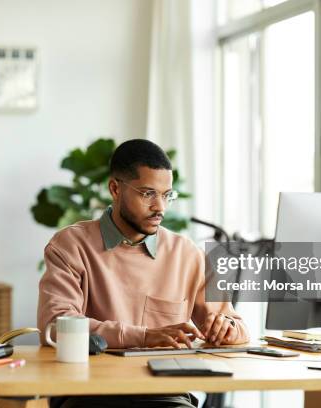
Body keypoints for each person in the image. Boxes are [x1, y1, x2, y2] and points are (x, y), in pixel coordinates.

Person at [38, 139, 249, 408]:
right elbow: (56, 326)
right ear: (115, 188)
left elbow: (237, 325)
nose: (160, 207)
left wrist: (227, 331)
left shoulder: (186, 254)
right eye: (148, 193)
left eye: (166, 195)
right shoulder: (70, 245)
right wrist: (145, 337)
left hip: (166, 398)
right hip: (89, 395)